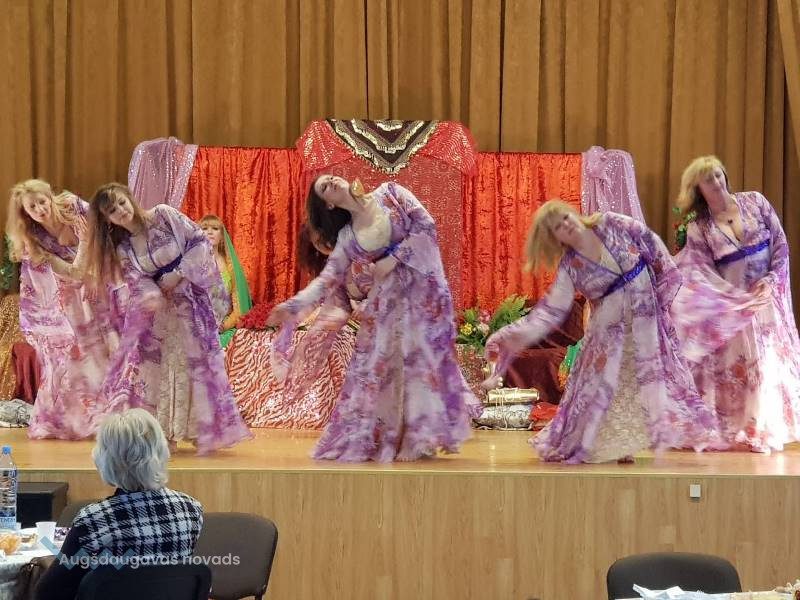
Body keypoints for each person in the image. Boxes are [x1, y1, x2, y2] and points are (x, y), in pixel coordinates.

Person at [483, 199, 720, 464]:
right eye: (557, 227)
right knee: (611, 383)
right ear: (553, 238)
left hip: (644, 318)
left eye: (565, 217)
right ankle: (619, 444)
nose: (566, 225)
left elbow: (654, 247)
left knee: (641, 378)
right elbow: (548, 313)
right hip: (608, 330)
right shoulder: (570, 266)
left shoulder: (611, 223)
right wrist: (506, 336)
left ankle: (629, 442)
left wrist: (661, 298)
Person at [268, 176, 479, 461]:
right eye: (324, 188)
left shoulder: (391, 193)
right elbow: (327, 280)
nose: (331, 181)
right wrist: (293, 306)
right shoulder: (348, 238)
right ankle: (403, 435)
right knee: (395, 369)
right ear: (328, 204)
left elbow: (426, 225)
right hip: (390, 305)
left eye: (330, 178)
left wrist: (394, 258)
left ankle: (421, 437)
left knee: (423, 364)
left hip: (423, 295)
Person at [84, 183, 251, 454]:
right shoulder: (124, 248)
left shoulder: (163, 215)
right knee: (161, 370)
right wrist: (154, 294)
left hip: (191, 303)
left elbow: (198, 241)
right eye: (112, 211)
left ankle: (198, 430)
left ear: (130, 198)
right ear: (108, 219)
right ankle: (165, 431)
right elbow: (136, 280)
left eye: (122, 203)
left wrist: (178, 274)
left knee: (193, 365)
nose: (121, 211)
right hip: (161, 314)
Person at [670, 155, 800, 452]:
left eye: (718, 175)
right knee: (745, 368)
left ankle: (764, 427)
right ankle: (746, 428)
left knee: (767, 366)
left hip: (766, 301)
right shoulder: (700, 228)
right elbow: (700, 272)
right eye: (708, 179)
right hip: (734, 308)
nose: (716, 182)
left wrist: (771, 280)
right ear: (697, 189)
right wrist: (733, 299)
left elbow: (781, 245)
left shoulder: (756, 202)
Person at [34, 409, 203, 600]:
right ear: (161, 451)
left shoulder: (93, 521)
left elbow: (48, 592)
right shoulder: (191, 510)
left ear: (105, 459)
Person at [5, 179, 125, 439]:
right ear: (25, 212)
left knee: (111, 346)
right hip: (71, 294)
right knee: (80, 355)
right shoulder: (32, 239)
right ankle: (86, 418)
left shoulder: (72, 206)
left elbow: (104, 235)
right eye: (32, 207)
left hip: (102, 275)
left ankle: (118, 411)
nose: (40, 209)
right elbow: (70, 273)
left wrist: (95, 273)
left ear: (50, 196)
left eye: (42, 201)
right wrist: (81, 247)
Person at [198, 214, 252, 349]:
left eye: (215, 228)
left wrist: (224, 326)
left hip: (224, 329)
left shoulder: (230, 267)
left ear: (222, 236)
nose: (210, 232)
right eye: (205, 228)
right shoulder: (193, 264)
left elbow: (238, 307)